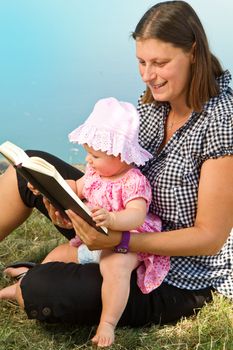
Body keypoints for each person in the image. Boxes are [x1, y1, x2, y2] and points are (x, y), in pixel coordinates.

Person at [0, 0, 232, 345]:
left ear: (193, 52)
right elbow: (118, 175)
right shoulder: (152, 103)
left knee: (46, 288)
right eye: (141, 61)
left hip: (177, 274)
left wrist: (121, 241)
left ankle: (34, 281)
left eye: (160, 63)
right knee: (30, 167)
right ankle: (60, 265)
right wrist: (67, 205)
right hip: (121, 222)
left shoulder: (222, 120)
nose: (147, 74)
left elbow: (209, 237)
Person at [1, 97, 170, 347]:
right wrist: (51, 186)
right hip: (94, 239)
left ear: (121, 156)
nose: (88, 160)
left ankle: (107, 323)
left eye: (95, 155)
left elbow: (137, 214)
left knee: (115, 271)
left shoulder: (133, 181)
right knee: (59, 254)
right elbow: (77, 187)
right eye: (87, 153)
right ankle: (26, 282)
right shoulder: (95, 173)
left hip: (124, 245)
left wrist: (113, 219)